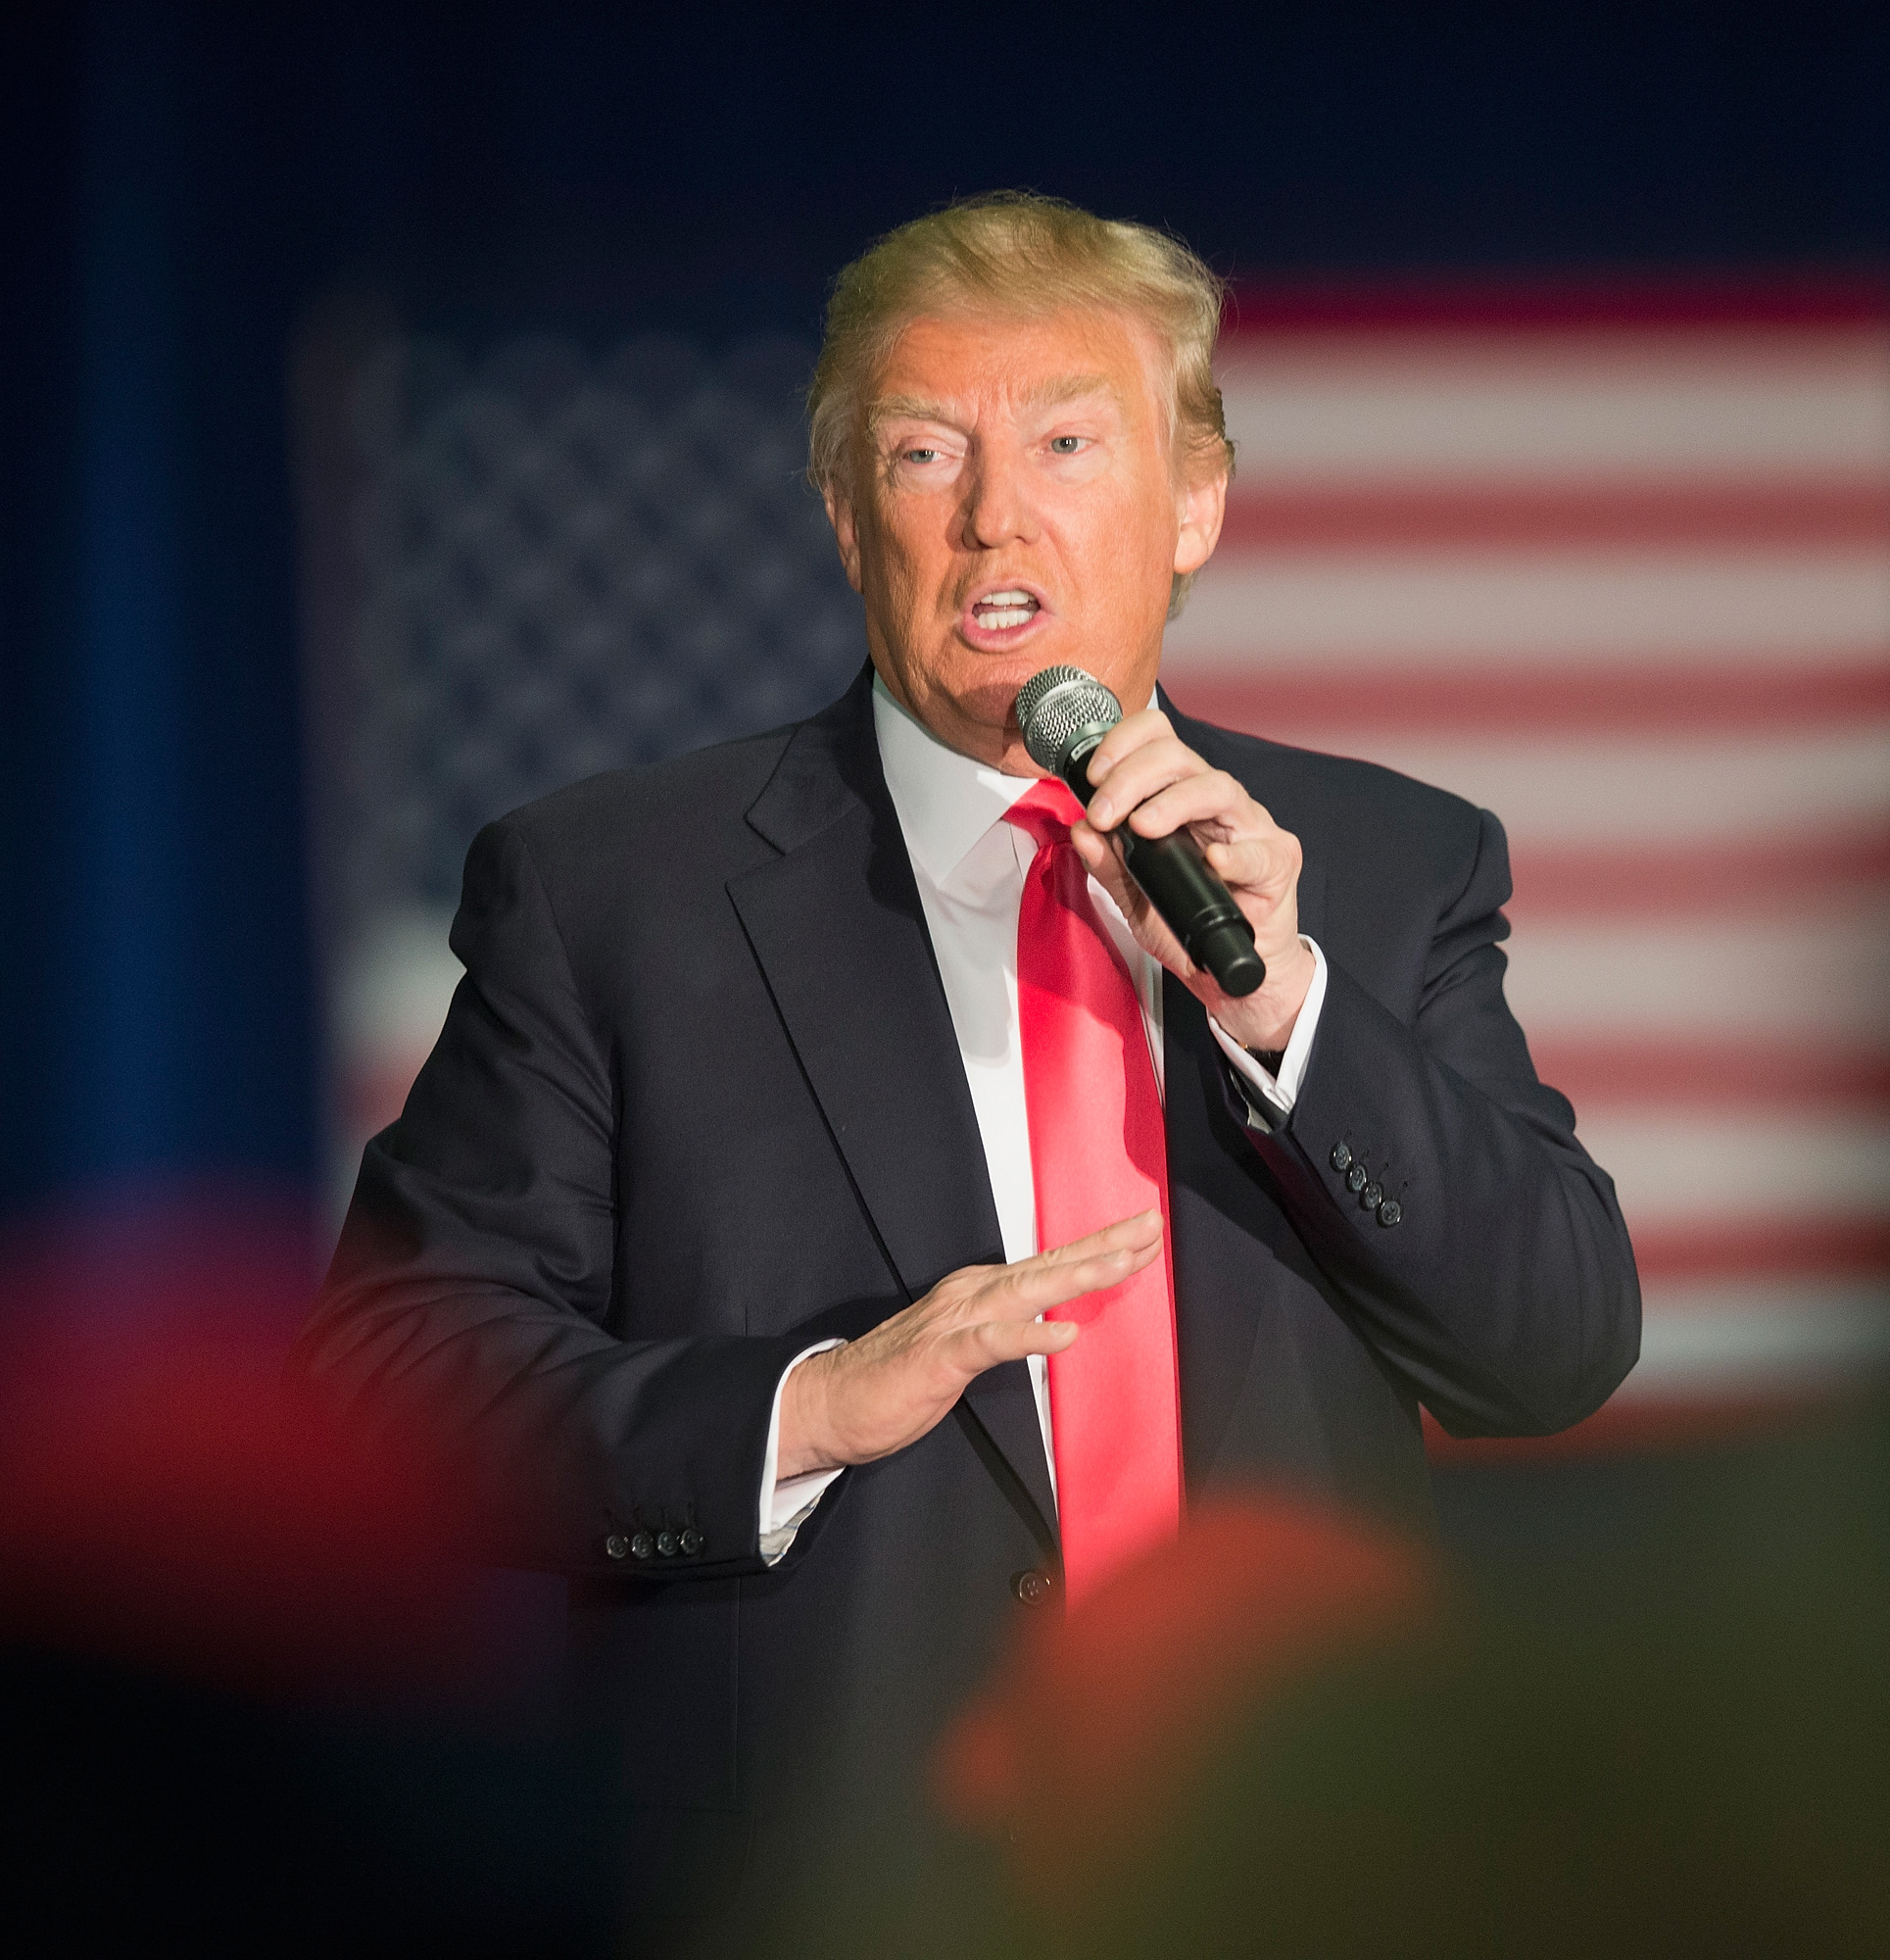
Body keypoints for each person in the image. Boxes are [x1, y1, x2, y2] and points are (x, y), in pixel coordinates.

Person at [300, 192, 1639, 1935]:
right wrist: (800, 1411)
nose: (997, 515)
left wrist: (1287, 1014)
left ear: (1198, 504)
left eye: (1070, 440)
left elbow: (1556, 1347)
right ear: (850, 519)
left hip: (1302, 1874)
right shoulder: (612, 891)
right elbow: (393, 1379)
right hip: (833, 1883)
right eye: (927, 453)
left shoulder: (1381, 872)